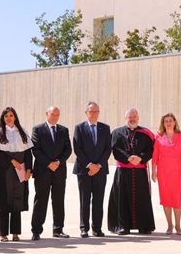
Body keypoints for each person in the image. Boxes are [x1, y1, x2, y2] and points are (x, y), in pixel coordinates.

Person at [107, 108, 156, 235]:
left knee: (142, 198)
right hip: (123, 171)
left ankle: (144, 226)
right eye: (130, 117)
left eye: (134, 117)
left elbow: (150, 149)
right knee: (122, 198)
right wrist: (128, 158)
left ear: (138, 118)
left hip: (140, 171)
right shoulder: (117, 132)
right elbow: (115, 149)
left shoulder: (146, 133)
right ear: (125, 119)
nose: (132, 119)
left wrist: (140, 158)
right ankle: (123, 226)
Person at [0, 107, 33, 242]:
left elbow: (27, 153)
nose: (9, 118)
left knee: (17, 201)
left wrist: (28, 170)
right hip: (4, 170)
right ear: (3, 118)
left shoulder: (22, 132)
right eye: (6, 116)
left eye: (11, 115)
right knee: (4, 201)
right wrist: (11, 161)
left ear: (15, 117)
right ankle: (3, 233)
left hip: (20, 171)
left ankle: (15, 232)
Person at [30, 106, 72, 240]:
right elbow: (36, 150)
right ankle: (36, 230)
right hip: (43, 171)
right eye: (53, 114)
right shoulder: (37, 129)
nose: (55, 117)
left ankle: (58, 229)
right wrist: (49, 163)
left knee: (59, 200)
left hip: (59, 171)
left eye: (57, 115)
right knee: (41, 200)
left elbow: (68, 149)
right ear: (47, 114)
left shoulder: (63, 130)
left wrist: (58, 162)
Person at [72, 102, 111, 238]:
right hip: (84, 170)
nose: (94, 114)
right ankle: (84, 228)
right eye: (91, 111)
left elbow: (108, 149)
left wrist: (98, 165)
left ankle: (97, 228)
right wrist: (90, 165)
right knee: (85, 200)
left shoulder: (105, 128)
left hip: (100, 170)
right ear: (86, 113)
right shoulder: (79, 128)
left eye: (96, 111)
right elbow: (77, 148)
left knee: (98, 200)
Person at [152, 113, 181, 235]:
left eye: (170, 120)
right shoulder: (158, 137)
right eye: (166, 121)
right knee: (166, 198)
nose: (168, 123)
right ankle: (169, 225)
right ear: (163, 123)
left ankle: (178, 225)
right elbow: (155, 156)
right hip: (163, 171)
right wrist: (154, 171)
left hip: (178, 171)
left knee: (177, 198)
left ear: (175, 122)